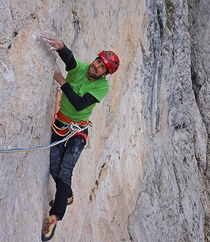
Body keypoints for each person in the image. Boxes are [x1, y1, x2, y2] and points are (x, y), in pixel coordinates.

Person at [39, 31, 120, 241]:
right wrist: (61, 46)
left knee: (65, 169)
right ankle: (68, 195)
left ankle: (55, 216)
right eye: (98, 61)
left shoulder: (102, 86)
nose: (96, 66)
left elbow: (80, 104)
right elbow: (71, 61)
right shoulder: (82, 69)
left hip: (78, 131)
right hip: (60, 125)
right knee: (54, 168)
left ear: (105, 74)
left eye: (102, 67)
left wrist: (62, 82)